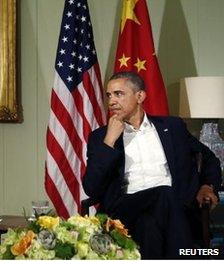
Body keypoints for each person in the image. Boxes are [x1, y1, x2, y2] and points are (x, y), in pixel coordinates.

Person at [82, 71, 221, 259]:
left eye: (119, 94)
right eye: (109, 95)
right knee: (164, 192)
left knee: (150, 223)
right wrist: (109, 142)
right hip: (125, 210)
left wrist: (207, 186)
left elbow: (210, 158)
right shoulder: (101, 137)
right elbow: (92, 188)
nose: (111, 101)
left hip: (172, 210)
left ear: (140, 96)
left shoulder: (172, 127)